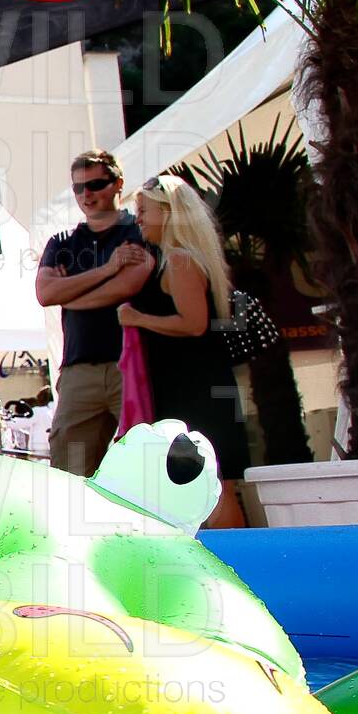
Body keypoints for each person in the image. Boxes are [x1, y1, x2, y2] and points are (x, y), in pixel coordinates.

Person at [118, 175, 249, 528]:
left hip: (198, 392)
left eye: (144, 210)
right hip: (194, 388)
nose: (138, 218)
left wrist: (137, 318)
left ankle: (233, 559)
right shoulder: (178, 259)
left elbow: (194, 324)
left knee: (215, 485)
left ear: (169, 212)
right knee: (209, 485)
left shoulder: (180, 260)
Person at [34, 149, 152, 476]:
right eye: (78, 187)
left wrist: (70, 292)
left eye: (96, 184)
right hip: (78, 369)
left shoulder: (138, 230)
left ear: (118, 184)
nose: (86, 194)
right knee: (69, 470)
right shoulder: (62, 241)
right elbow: (45, 293)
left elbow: (127, 286)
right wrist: (108, 269)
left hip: (132, 363)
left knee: (148, 465)